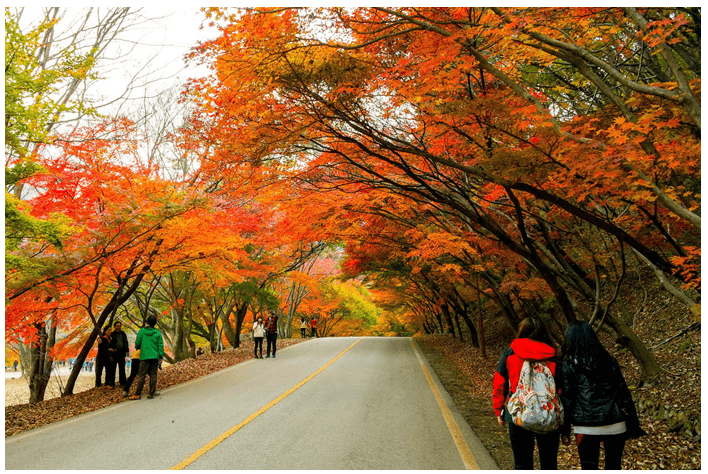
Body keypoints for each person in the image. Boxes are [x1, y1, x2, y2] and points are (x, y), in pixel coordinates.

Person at [560, 321, 646, 470]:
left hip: (585, 426)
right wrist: (634, 422)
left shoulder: (568, 366)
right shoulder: (609, 362)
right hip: (615, 423)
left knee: (589, 468)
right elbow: (624, 394)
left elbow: (568, 400)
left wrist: (565, 429)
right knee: (613, 466)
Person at [493, 317, 563, 470]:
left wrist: (499, 410)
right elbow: (560, 389)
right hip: (548, 413)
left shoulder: (510, 353)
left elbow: (500, 382)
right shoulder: (553, 356)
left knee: (522, 464)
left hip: (518, 414)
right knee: (549, 464)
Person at [129, 315, 164, 400]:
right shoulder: (157, 333)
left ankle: (138, 394)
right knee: (153, 375)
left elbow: (137, 342)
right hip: (154, 356)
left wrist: (138, 347)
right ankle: (151, 393)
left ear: (148, 322)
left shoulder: (142, 331)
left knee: (142, 375)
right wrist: (160, 356)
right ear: (155, 323)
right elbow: (160, 345)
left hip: (144, 356)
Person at [108, 321, 129, 388]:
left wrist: (127, 351)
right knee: (113, 368)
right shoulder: (112, 334)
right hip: (114, 353)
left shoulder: (123, 333)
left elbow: (126, 342)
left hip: (122, 353)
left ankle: (123, 382)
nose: (118, 327)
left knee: (122, 368)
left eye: (119, 326)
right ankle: (112, 383)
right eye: (117, 326)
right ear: (114, 327)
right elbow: (108, 342)